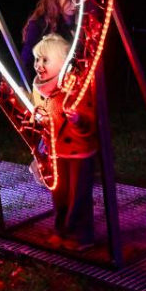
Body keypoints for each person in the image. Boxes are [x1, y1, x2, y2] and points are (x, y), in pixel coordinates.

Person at [31, 34, 98, 251]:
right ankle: (61, 230)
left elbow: (89, 121)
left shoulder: (74, 89)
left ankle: (82, 235)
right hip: (57, 150)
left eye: (45, 60)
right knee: (59, 193)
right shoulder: (45, 91)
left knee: (78, 195)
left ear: (63, 62)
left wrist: (78, 120)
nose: (39, 65)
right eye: (37, 59)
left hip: (78, 152)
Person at [19, 0, 77, 80]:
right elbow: (26, 59)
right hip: (45, 81)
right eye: (70, 0)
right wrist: (23, 85)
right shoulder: (40, 24)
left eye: (77, 1)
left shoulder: (80, 20)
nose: (74, 5)